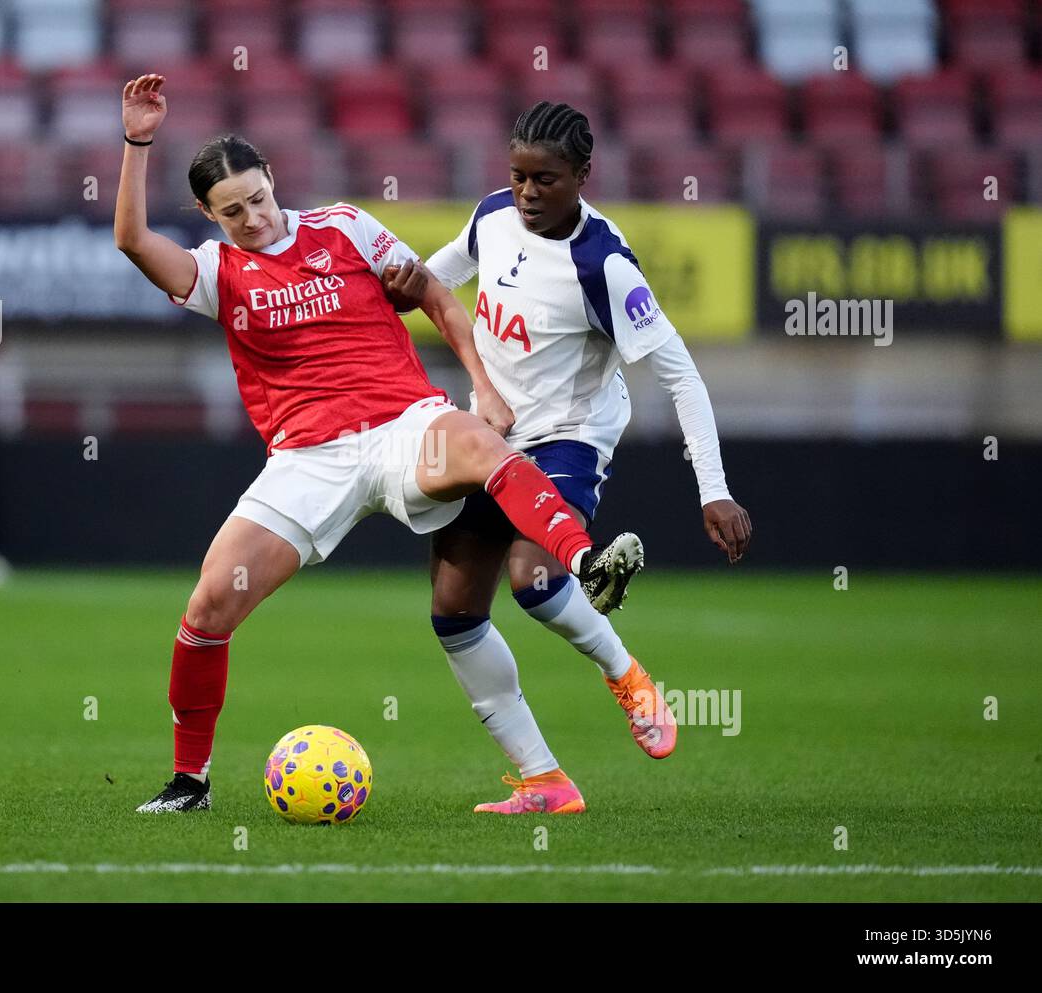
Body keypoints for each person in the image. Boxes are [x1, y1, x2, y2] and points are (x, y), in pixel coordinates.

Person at [114, 76, 634, 813]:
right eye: (231, 211)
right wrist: (138, 141)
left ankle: (584, 560)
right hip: (305, 461)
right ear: (206, 213)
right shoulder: (217, 271)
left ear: (273, 182)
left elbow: (430, 290)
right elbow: (132, 240)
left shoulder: (345, 227)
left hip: (402, 426)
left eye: (258, 198)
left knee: (482, 448)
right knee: (207, 609)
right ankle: (189, 781)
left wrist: (482, 388)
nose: (252, 218)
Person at [418, 101, 753, 814]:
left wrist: (713, 489)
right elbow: (429, 278)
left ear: (582, 176)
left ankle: (624, 671)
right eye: (518, 176)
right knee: (453, 609)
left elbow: (680, 374)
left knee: (532, 575)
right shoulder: (492, 217)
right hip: (490, 433)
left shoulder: (604, 266)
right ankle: (545, 780)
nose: (529, 193)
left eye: (547, 179)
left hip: (567, 434)